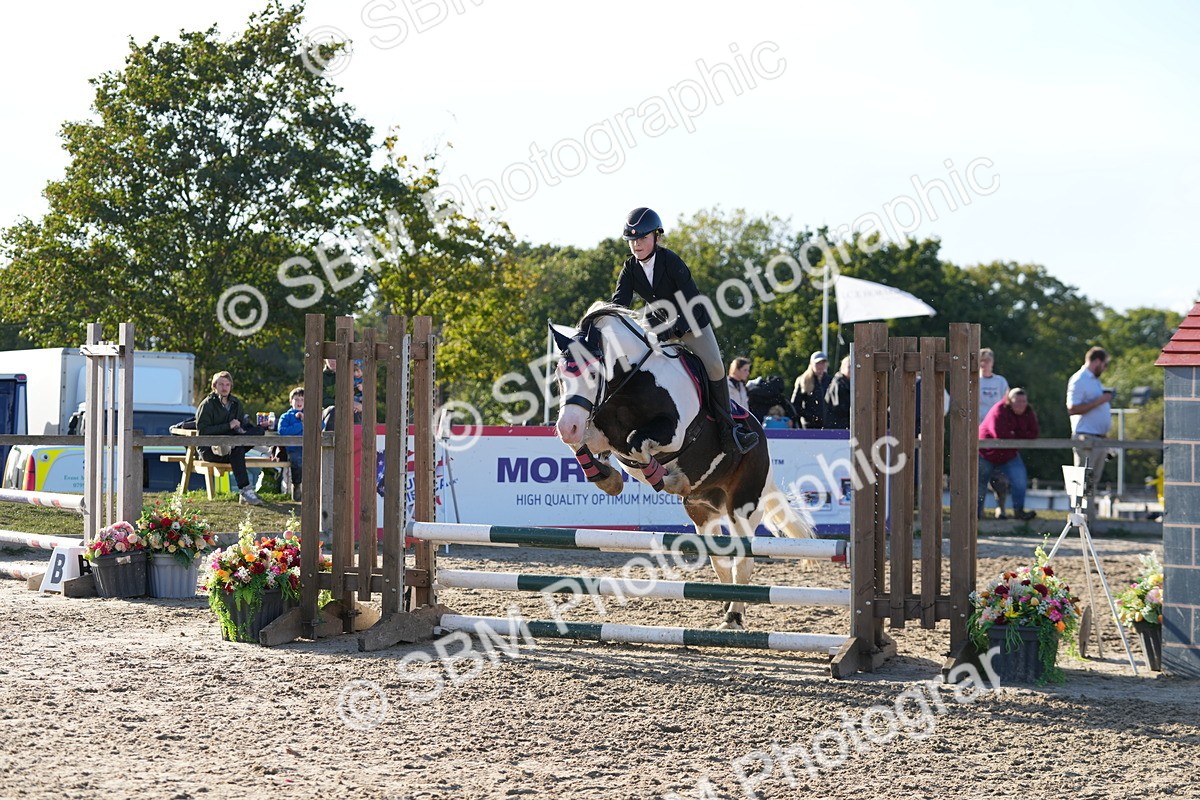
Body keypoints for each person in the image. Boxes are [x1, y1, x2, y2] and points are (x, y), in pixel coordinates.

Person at [611, 207, 758, 454]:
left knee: (715, 368)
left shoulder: (671, 261)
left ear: (656, 237)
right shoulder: (629, 268)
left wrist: (675, 330)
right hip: (657, 323)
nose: (637, 245)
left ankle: (728, 430)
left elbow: (693, 301)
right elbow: (619, 305)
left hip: (691, 322)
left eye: (643, 238)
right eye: (632, 240)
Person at [195, 370, 262, 505]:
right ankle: (245, 491)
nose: (224, 388)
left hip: (233, 444)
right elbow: (202, 431)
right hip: (210, 450)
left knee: (259, 431)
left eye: (227, 384)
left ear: (231, 386)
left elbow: (240, 423)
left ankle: (245, 492)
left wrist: (241, 429)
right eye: (221, 384)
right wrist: (228, 426)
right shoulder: (207, 405)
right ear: (214, 386)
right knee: (237, 449)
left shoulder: (236, 403)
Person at [978, 388, 1040, 521]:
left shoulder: (1028, 412)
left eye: (1023, 401)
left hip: (1009, 454)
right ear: (1009, 401)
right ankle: (976, 514)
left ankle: (1019, 512)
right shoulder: (999, 410)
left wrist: (1014, 434)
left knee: (1020, 480)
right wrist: (1019, 435)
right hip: (986, 452)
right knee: (979, 483)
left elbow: (1034, 433)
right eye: (1017, 401)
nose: (1021, 405)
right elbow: (1000, 435)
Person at [1066, 346, 1113, 493]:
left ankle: (1088, 516)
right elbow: (1072, 409)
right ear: (1097, 361)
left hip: (1098, 439)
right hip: (1085, 437)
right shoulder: (1079, 379)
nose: (1105, 368)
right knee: (1081, 482)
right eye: (1105, 364)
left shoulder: (1094, 380)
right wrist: (1100, 401)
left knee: (1092, 483)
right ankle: (1077, 515)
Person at [790, 351, 832, 429]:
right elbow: (795, 404)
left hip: (827, 424)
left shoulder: (829, 380)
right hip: (809, 425)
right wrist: (810, 416)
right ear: (811, 364)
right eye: (817, 363)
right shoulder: (803, 380)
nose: (820, 366)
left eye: (823, 363)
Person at [276, 387, 304, 500]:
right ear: (291, 401)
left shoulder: (311, 414)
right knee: (297, 460)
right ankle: (296, 486)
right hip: (293, 448)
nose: (299, 402)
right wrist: (301, 425)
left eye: (302, 399)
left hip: (310, 447)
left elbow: (320, 426)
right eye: (296, 399)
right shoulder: (286, 416)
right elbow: (283, 431)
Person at [978, 348, 1010, 425]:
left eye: (987, 361)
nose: (984, 363)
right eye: (981, 360)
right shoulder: (974, 381)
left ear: (992, 362)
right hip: (978, 422)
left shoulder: (1000, 381)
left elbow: (1007, 401)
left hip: (997, 421)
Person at [824, 356, 852, 430]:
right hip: (837, 425)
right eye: (849, 367)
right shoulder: (838, 383)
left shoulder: (851, 383)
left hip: (845, 424)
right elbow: (839, 406)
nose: (852, 370)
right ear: (842, 368)